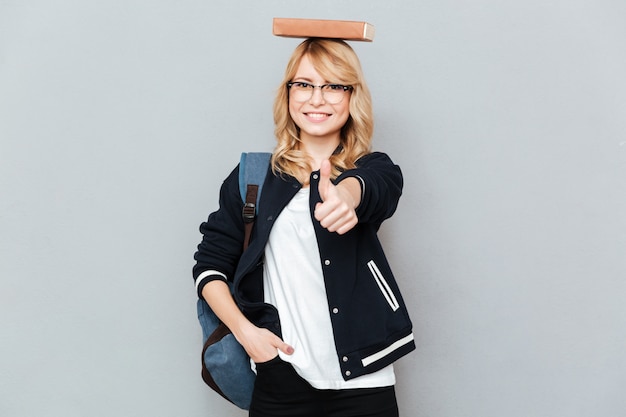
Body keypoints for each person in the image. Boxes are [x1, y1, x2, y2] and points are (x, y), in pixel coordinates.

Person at [193, 38, 415, 417]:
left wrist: (347, 195)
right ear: (288, 93)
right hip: (280, 376)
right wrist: (248, 336)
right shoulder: (254, 178)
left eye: (333, 86)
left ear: (351, 96)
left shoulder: (372, 168)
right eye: (304, 84)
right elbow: (210, 267)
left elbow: (378, 187)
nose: (317, 98)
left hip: (364, 382)